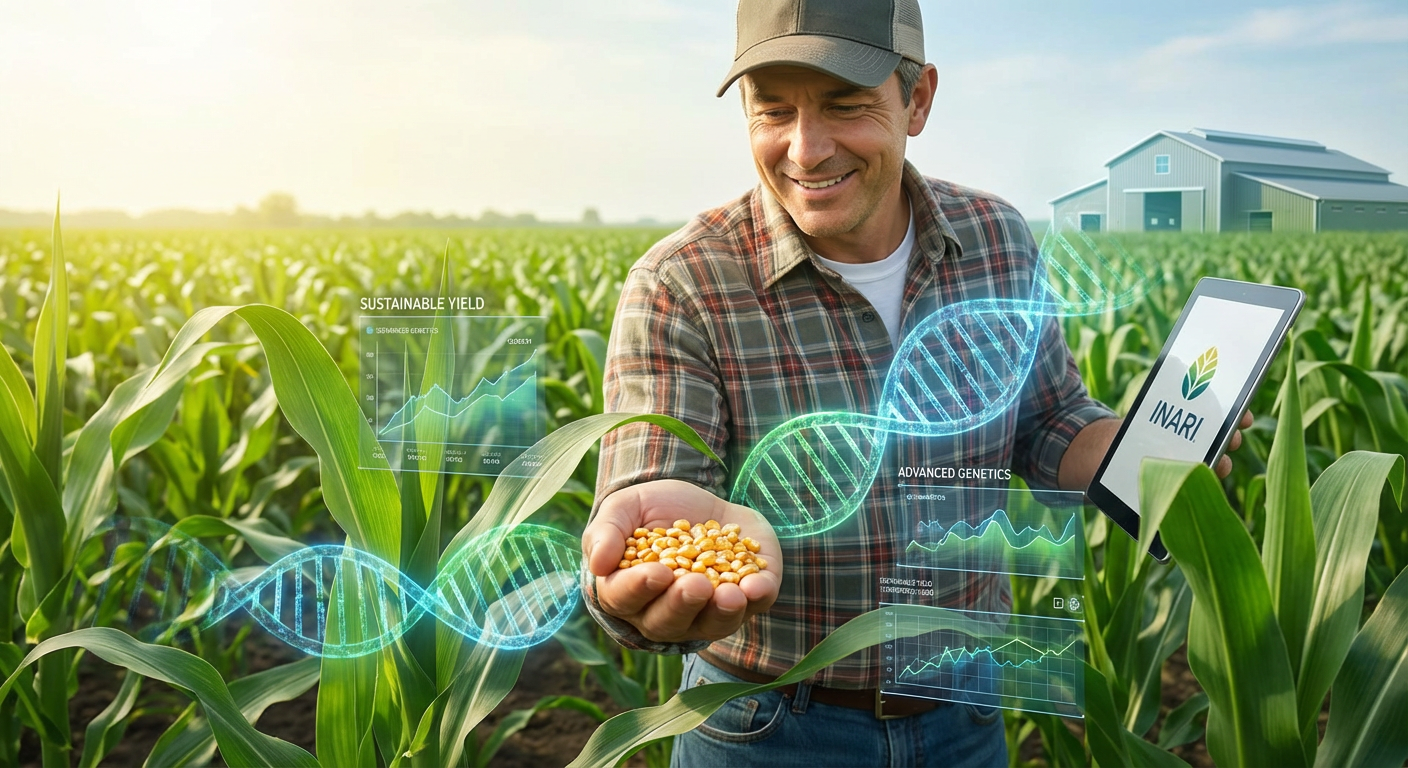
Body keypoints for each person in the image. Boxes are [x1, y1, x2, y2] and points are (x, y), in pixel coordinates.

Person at [579, 1, 1250, 765]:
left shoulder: (995, 239)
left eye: (845, 106)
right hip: (769, 729)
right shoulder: (682, 284)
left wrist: (1146, 465)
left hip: (964, 714)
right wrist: (636, 580)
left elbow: (1050, 419)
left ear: (919, 99)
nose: (806, 148)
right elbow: (655, 496)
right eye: (773, 111)